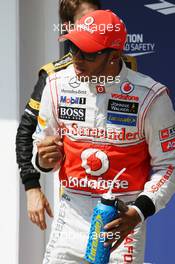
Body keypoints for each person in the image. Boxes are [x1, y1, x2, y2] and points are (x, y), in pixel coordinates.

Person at [32, 9, 175, 263]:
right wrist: (42, 158)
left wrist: (138, 212)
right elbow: (41, 149)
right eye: (72, 47)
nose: (76, 58)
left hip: (122, 220)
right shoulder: (55, 86)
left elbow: (169, 164)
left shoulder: (150, 96)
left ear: (115, 55)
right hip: (71, 218)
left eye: (87, 52)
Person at [16, 0, 137, 230]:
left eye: (98, 22)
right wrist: (32, 186)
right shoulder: (54, 75)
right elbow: (26, 132)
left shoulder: (125, 64)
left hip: (120, 196)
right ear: (67, 27)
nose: (93, 28)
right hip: (75, 199)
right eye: (85, 23)